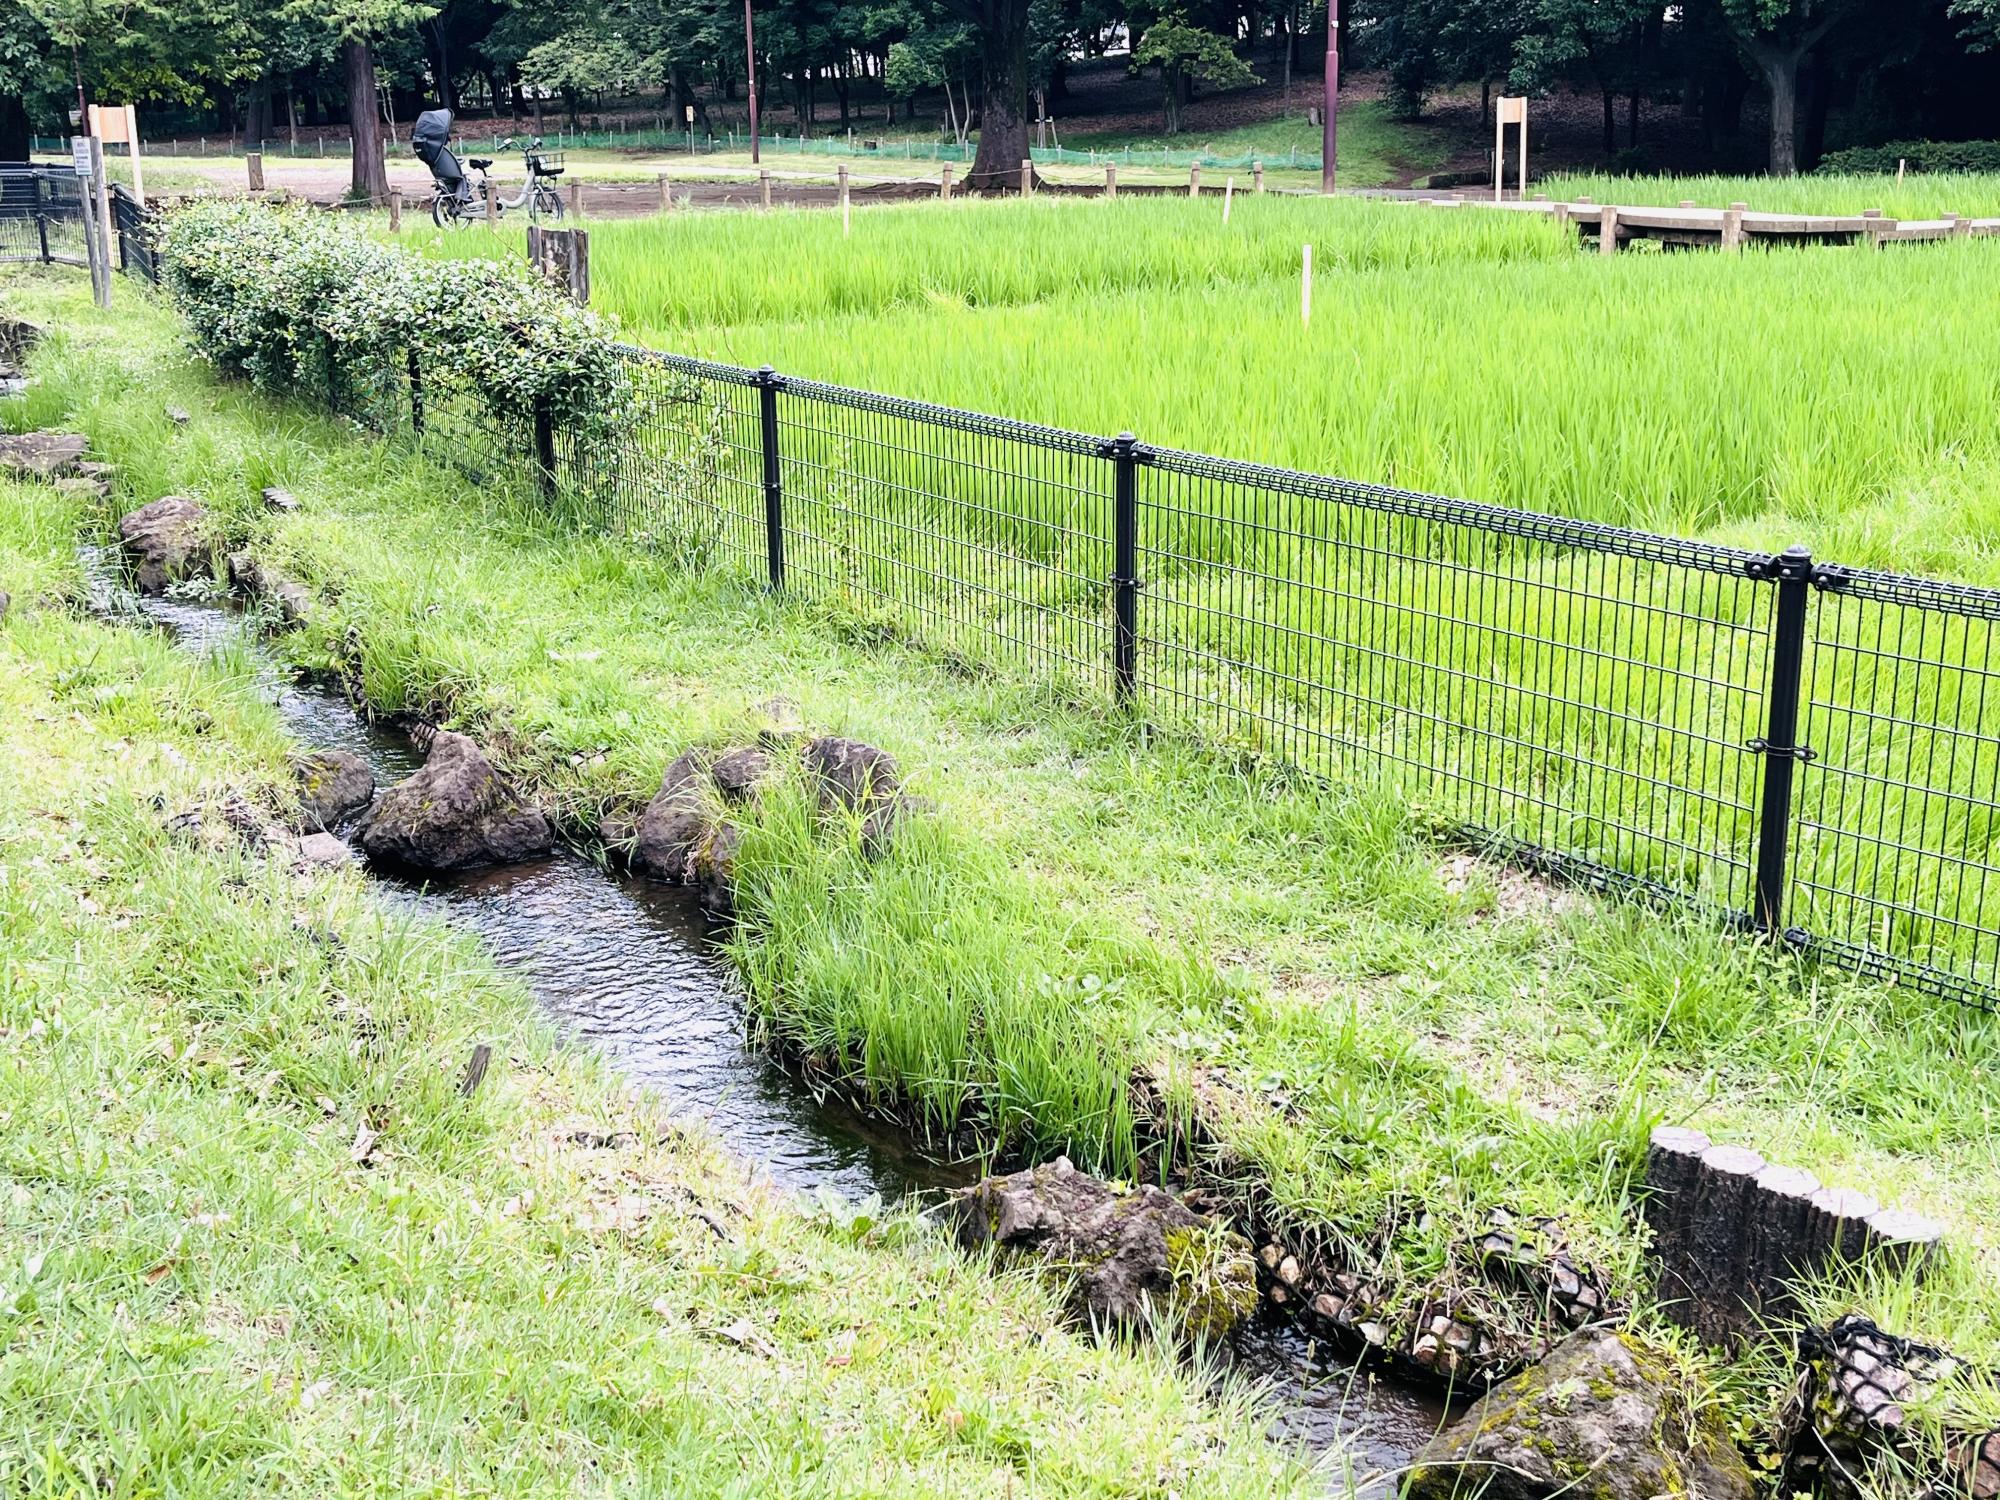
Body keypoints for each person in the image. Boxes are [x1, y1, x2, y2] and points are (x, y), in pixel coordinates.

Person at [412, 109, 468, 205]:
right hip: (444, 165)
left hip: (437, 166)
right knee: (461, 177)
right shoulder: (436, 148)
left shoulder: (430, 149)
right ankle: (463, 196)